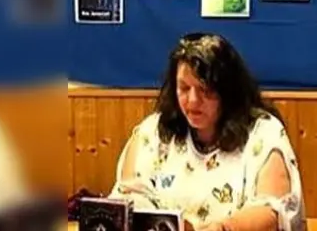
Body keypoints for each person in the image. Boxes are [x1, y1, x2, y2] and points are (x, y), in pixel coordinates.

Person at [110, 33, 304, 231]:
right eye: (184, 88)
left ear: (228, 91)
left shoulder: (264, 133)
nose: (193, 101)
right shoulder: (153, 132)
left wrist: (224, 228)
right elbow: (128, 197)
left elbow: (272, 209)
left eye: (205, 90)